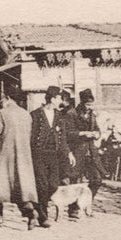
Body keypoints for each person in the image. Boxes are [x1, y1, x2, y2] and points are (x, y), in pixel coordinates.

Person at [0, 86, 38, 228]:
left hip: (3, 155)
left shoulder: (2, 113)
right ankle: (30, 212)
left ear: (8, 98)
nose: (1, 101)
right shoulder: (26, 114)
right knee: (20, 185)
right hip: (23, 156)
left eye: (2, 98)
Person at [30, 85, 75, 227]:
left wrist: (68, 152)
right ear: (53, 98)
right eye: (60, 98)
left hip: (54, 155)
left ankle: (38, 206)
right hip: (38, 154)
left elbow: (63, 138)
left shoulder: (60, 116)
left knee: (53, 185)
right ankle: (43, 216)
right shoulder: (35, 114)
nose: (61, 100)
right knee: (42, 185)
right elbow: (30, 136)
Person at [67, 88, 104, 218]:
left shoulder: (92, 115)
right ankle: (73, 210)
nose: (90, 107)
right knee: (75, 181)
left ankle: (86, 203)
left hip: (91, 152)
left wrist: (97, 134)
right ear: (81, 103)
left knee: (97, 180)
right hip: (77, 151)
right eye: (88, 104)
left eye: (92, 104)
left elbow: (98, 130)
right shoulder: (72, 114)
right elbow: (68, 133)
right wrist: (83, 133)